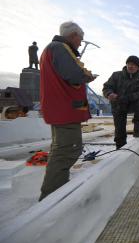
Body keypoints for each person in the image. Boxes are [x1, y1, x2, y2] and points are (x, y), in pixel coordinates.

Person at [39, 21, 96, 201]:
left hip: (60, 108)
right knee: (68, 150)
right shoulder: (59, 48)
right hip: (64, 109)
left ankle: (57, 189)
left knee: (62, 149)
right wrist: (87, 76)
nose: (80, 43)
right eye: (80, 39)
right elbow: (74, 75)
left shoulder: (53, 49)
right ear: (73, 36)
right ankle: (52, 197)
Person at [103, 55, 139, 149]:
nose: (130, 66)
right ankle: (120, 147)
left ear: (138, 67)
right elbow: (107, 87)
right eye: (129, 64)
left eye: (133, 65)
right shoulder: (116, 75)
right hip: (118, 104)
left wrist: (127, 98)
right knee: (119, 128)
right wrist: (109, 94)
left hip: (132, 104)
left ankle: (138, 130)